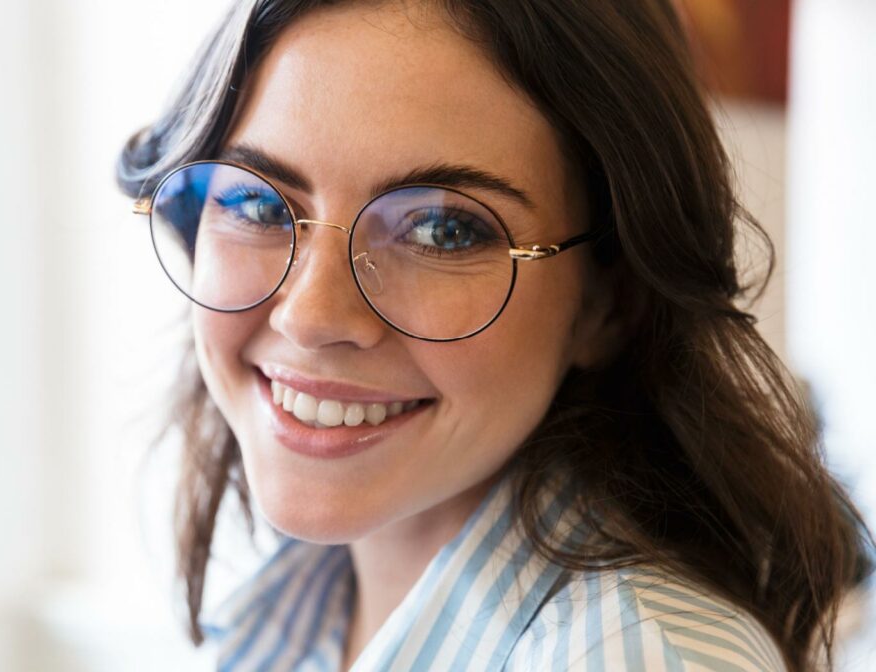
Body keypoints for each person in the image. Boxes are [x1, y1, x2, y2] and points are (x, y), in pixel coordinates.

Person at [117, 1, 872, 669]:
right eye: (256, 204)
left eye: (442, 230)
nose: (310, 316)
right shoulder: (298, 611)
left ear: (608, 303)